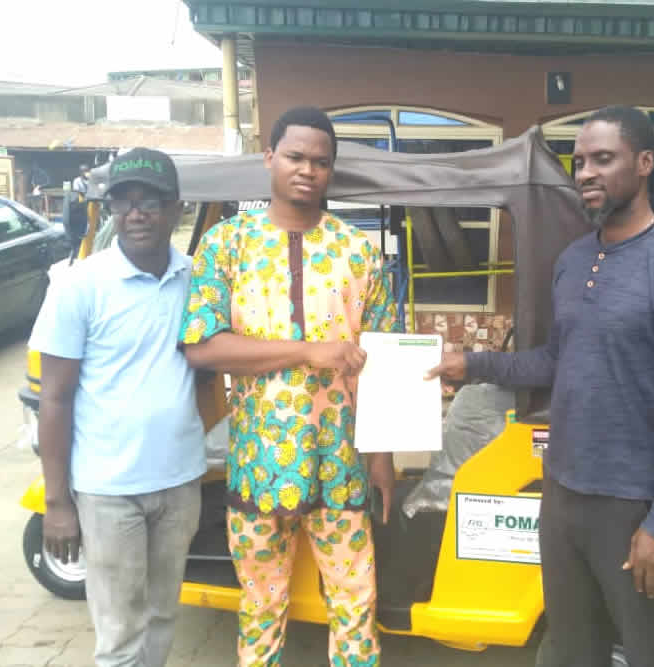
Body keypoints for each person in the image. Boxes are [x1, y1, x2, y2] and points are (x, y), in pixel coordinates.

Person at [426, 105, 654, 666]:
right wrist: (472, 364)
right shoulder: (574, 261)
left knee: (653, 651)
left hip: (634, 506)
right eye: (580, 161)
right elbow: (555, 361)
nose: (586, 172)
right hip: (563, 495)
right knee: (572, 648)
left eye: (603, 159)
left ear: (645, 163)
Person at [178, 106, 399, 667]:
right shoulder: (228, 243)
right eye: (295, 157)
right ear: (269, 157)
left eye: (320, 162)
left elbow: (385, 361)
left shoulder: (358, 251)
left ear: (331, 170)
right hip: (258, 466)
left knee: (356, 602)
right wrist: (307, 351)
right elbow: (202, 346)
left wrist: (382, 458)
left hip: (342, 465)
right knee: (260, 606)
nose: (307, 170)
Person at [29, 147, 206, 667]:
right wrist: (57, 503)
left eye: (150, 201)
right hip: (108, 491)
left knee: (163, 614)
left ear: (177, 208)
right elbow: (54, 397)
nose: (136, 214)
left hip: (180, 483)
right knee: (120, 632)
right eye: (123, 202)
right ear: (110, 210)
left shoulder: (196, 279)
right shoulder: (80, 285)